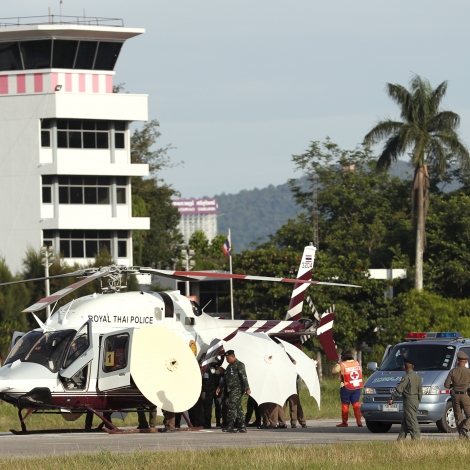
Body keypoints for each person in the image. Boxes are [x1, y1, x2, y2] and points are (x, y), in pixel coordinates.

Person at [388, 357, 423, 440]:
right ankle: (401, 440)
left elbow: (400, 388)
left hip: (409, 401)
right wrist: (418, 400)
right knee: (405, 421)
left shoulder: (407, 377)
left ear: (405, 367)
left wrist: (392, 398)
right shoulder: (418, 377)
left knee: (411, 421)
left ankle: (416, 439)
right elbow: (420, 391)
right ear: (413, 366)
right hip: (415, 401)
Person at [332, 350, 363, 427]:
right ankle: (359, 421)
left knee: (345, 405)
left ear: (342, 357)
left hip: (346, 387)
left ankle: (344, 422)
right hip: (356, 387)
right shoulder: (357, 363)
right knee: (356, 405)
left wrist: (338, 362)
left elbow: (333, 371)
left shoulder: (342, 364)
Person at [221, 349, 251, 433]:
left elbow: (244, 377)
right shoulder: (229, 366)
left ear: (232, 356)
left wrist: (247, 388)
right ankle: (242, 425)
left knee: (231, 405)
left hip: (237, 389)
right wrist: (220, 387)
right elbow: (225, 378)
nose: (226, 360)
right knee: (238, 407)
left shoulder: (239, 365)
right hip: (231, 390)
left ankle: (230, 425)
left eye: (227, 358)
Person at [444, 350, 470, 439]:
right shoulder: (468, 372)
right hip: (465, 395)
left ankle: (461, 437)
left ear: (457, 361)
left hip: (455, 396)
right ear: (466, 361)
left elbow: (446, 385)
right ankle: (465, 428)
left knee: (458, 417)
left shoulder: (453, 371)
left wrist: (454, 385)